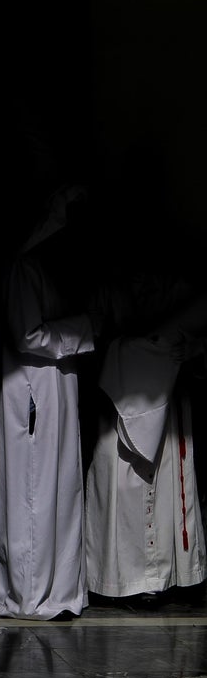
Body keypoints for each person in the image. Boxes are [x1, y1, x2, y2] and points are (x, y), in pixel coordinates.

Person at [0, 184, 103, 620]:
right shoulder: (24, 268)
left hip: (53, 388)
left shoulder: (42, 268)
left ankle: (53, 587)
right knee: (33, 491)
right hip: (32, 392)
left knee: (55, 487)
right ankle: (29, 593)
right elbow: (27, 335)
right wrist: (84, 328)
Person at [85, 259, 207, 604]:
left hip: (166, 404)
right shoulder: (108, 290)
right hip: (119, 402)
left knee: (164, 485)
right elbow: (92, 335)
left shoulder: (179, 289)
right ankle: (117, 579)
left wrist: (195, 350)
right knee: (119, 487)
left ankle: (160, 578)